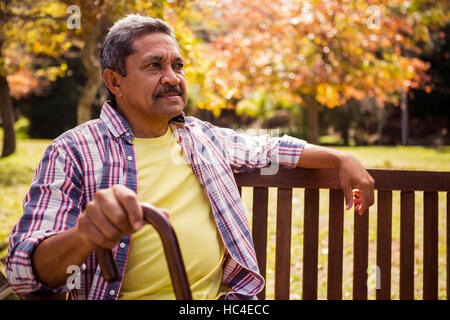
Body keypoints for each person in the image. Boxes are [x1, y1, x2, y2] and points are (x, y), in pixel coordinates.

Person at [6, 14, 374, 300]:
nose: (172, 78)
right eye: (155, 66)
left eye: (177, 66)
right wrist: (84, 234)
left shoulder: (203, 137)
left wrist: (341, 159)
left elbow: (270, 148)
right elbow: (24, 271)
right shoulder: (72, 151)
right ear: (114, 82)